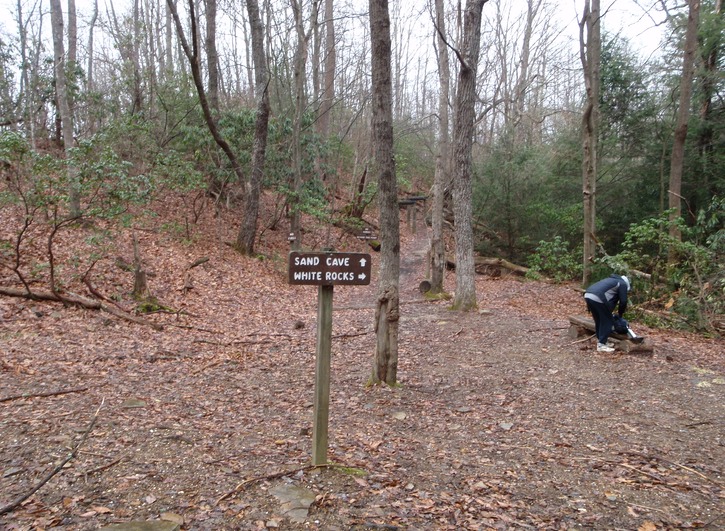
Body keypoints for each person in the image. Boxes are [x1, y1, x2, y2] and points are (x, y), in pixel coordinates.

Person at [584, 274, 631, 352]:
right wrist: (620, 314)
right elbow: (623, 301)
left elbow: (609, 299)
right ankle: (601, 345)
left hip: (588, 294)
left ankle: (602, 341)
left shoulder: (611, 280)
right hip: (598, 297)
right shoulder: (622, 284)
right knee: (607, 321)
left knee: (599, 319)